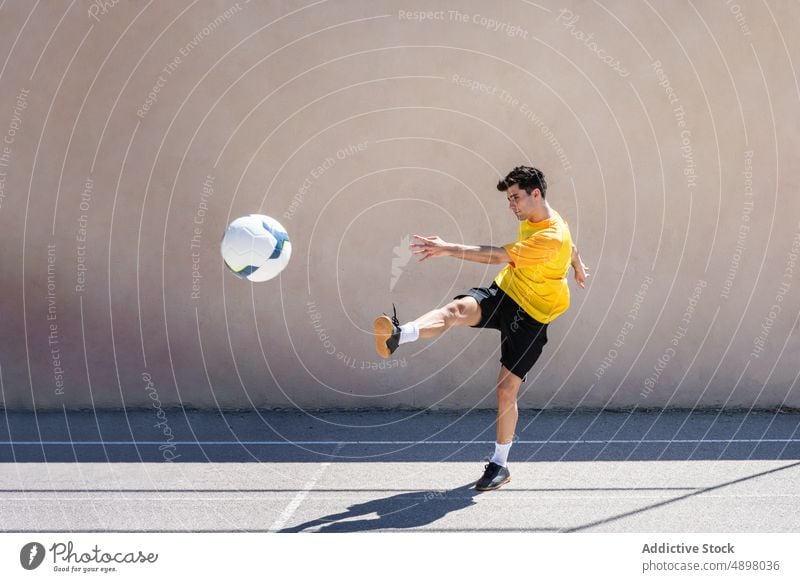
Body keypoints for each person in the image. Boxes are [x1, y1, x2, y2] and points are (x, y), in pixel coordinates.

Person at [373, 166, 588, 491]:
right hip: (507, 293)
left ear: (536, 194)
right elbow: (571, 248)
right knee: (458, 309)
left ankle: (500, 464)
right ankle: (399, 335)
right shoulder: (542, 220)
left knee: (505, 391)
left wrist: (448, 248)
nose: (511, 205)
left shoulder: (550, 236)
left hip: (533, 316)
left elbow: (497, 256)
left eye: (515, 197)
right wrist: (578, 265)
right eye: (508, 199)